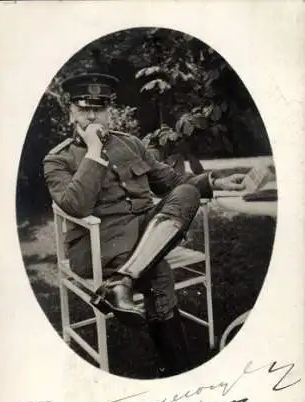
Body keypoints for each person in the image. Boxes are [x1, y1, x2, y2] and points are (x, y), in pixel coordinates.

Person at [43, 73, 245, 376]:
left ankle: (121, 283)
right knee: (159, 271)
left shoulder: (131, 144)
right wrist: (94, 152)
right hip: (99, 245)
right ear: (71, 112)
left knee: (187, 193)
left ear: (109, 112)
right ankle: (179, 370)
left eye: (99, 109)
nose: (93, 116)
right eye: (85, 109)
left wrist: (216, 180)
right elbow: (76, 206)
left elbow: (172, 183)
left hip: (145, 236)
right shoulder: (57, 160)